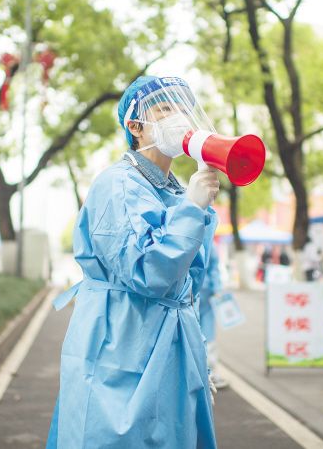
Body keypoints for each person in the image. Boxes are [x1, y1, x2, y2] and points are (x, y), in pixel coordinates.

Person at [46, 76, 221, 448]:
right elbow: (149, 271)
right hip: (120, 341)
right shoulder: (117, 184)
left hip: (171, 345)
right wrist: (191, 209)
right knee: (114, 434)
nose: (179, 118)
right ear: (135, 126)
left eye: (183, 109)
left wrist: (196, 360)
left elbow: (188, 284)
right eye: (164, 109)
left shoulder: (174, 189)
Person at [199, 248, 229, 389]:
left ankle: (209, 373)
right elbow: (214, 269)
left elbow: (214, 267)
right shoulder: (207, 241)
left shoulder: (208, 243)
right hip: (190, 298)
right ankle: (204, 374)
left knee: (209, 338)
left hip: (201, 297)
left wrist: (217, 289)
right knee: (202, 337)